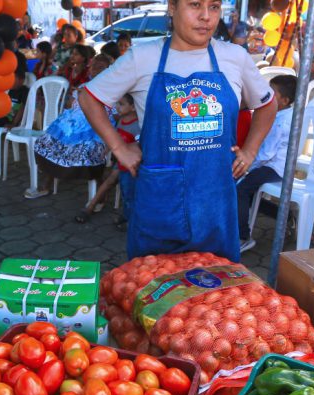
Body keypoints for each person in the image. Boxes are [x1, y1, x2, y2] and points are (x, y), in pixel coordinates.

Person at [80, 0, 277, 262]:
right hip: (160, 199)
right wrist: (119, 148)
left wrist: (250, 150)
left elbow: (267, 104)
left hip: (215, 202)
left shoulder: (235, 57)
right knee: (154, 278)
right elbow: (89, 97)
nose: (206, 16)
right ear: (172, 7)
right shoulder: (143, 57)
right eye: (195, 5)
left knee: (216, 281)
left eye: (214, 7)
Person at [25, 54, 117, 199]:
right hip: (71, 128)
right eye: (93, 66)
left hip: (96, 129)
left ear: (109, 70)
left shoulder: (114, 92)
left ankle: (100, 193)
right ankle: (46, 185)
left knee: (86, 150)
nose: (95, 70)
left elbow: (115, 117)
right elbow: (70, 106)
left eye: (100, 67)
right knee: (48, 142)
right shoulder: (83, 87)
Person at [236, 75, 297, 252]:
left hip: (274, 166)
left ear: (285, 101)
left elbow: (266, 154)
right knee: (249, 192)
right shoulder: (280, 113)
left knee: (240, 189)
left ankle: (243, 237)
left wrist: (246, 167)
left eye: (272, 93)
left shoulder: (280, 122)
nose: (267, 95)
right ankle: (285, 215)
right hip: (270, 162)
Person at [75, 94, 140, 224]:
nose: (117, 107)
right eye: (117, 103)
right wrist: (105, 151)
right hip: (120, 162)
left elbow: (139, 146)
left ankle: (127, 218)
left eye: (121, 104)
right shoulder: (121, 121)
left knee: (126, 191)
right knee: (110, 182)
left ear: (133, 107)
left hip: (131, 165)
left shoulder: (137, 126)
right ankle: (90, 207)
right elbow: (115, 139)